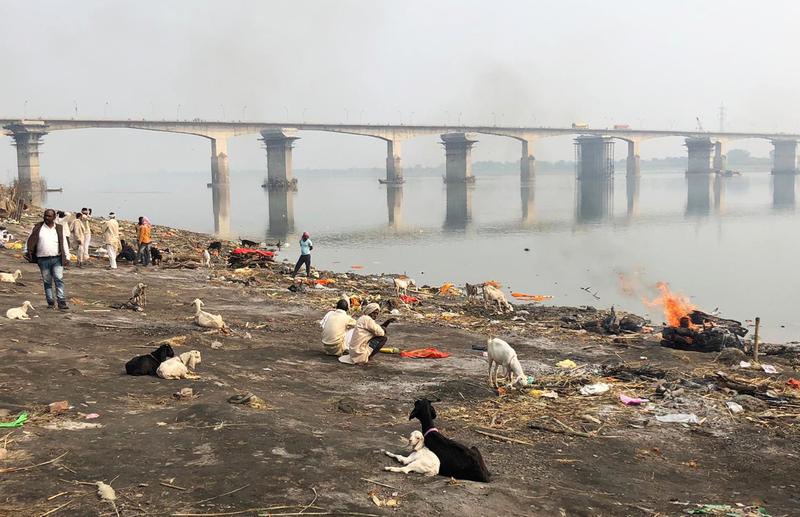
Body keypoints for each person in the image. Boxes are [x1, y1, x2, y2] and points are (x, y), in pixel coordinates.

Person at [25, 209, 70, 309]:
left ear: (54, 217)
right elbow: (30, 240)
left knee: (59, 279)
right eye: (45, 216)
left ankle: (61, 302)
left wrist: (67, 256)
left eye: (49, 216)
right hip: (42, 259)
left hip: (57, 258)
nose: (46, 218)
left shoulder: (59, 228)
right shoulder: (38, 227)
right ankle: (50, 302)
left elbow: (64, 243)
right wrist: (27, 251)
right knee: (47, 281)